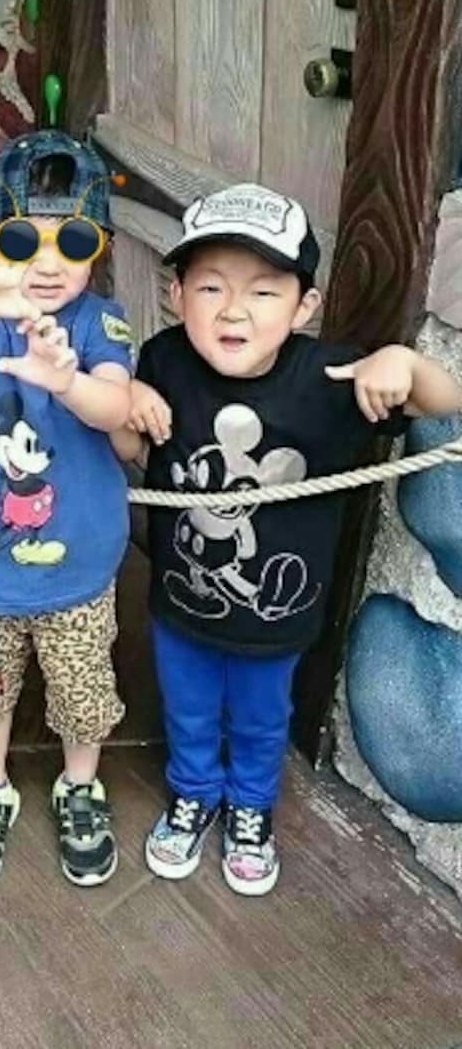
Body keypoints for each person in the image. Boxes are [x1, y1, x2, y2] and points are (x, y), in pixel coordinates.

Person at [113, 182, 462, 897]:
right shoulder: (164, 360)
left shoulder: (330, 378)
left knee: (261, 717)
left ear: (304, 306)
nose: (234, 309)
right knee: (185, 707)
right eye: (210, 286)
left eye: (264, 291)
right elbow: (136, 448)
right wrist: (122, 400)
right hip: (180, 600)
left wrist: (406, 364)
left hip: (276, 618)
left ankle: (250, 806)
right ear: (176, 295)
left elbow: (448, 403)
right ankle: (193, 792)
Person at [0, 130, 136, 891]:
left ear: (99, 246)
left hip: (78, 561)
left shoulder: (100, 322)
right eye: (23, 239)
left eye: (72, 240)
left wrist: (68, 380)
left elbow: (116, 406)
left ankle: (81, 784)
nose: (48, 262)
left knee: (82, 689)